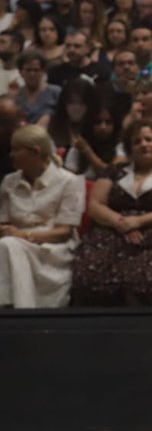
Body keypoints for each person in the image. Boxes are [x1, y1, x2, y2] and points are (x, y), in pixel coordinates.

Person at [71, 119, 152, 306]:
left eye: (149, 139)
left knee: (146, 281)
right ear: (129, 148)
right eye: (137, 141)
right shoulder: (114, 171)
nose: (143, 145)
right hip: (113, 231)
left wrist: (139, 221)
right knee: (87, 276)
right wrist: (121, 222)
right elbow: (95, 205)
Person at [0, 125, 86, 308]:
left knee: (8, 245)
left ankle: (19, 310)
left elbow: (63, 232)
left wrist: (23, 235)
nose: (11, 155)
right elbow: (4, 223)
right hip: (13, 247)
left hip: (52, 251)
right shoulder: (9, 182)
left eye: (16, 150)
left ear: (35, 151)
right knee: (7, 246)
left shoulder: (69, 181)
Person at [14, 51, 60, 127]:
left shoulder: (56, 92)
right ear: (20, 72)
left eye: (36, 70)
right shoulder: (16, 95)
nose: (32, 74)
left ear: (43, 71)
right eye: (28, 70)